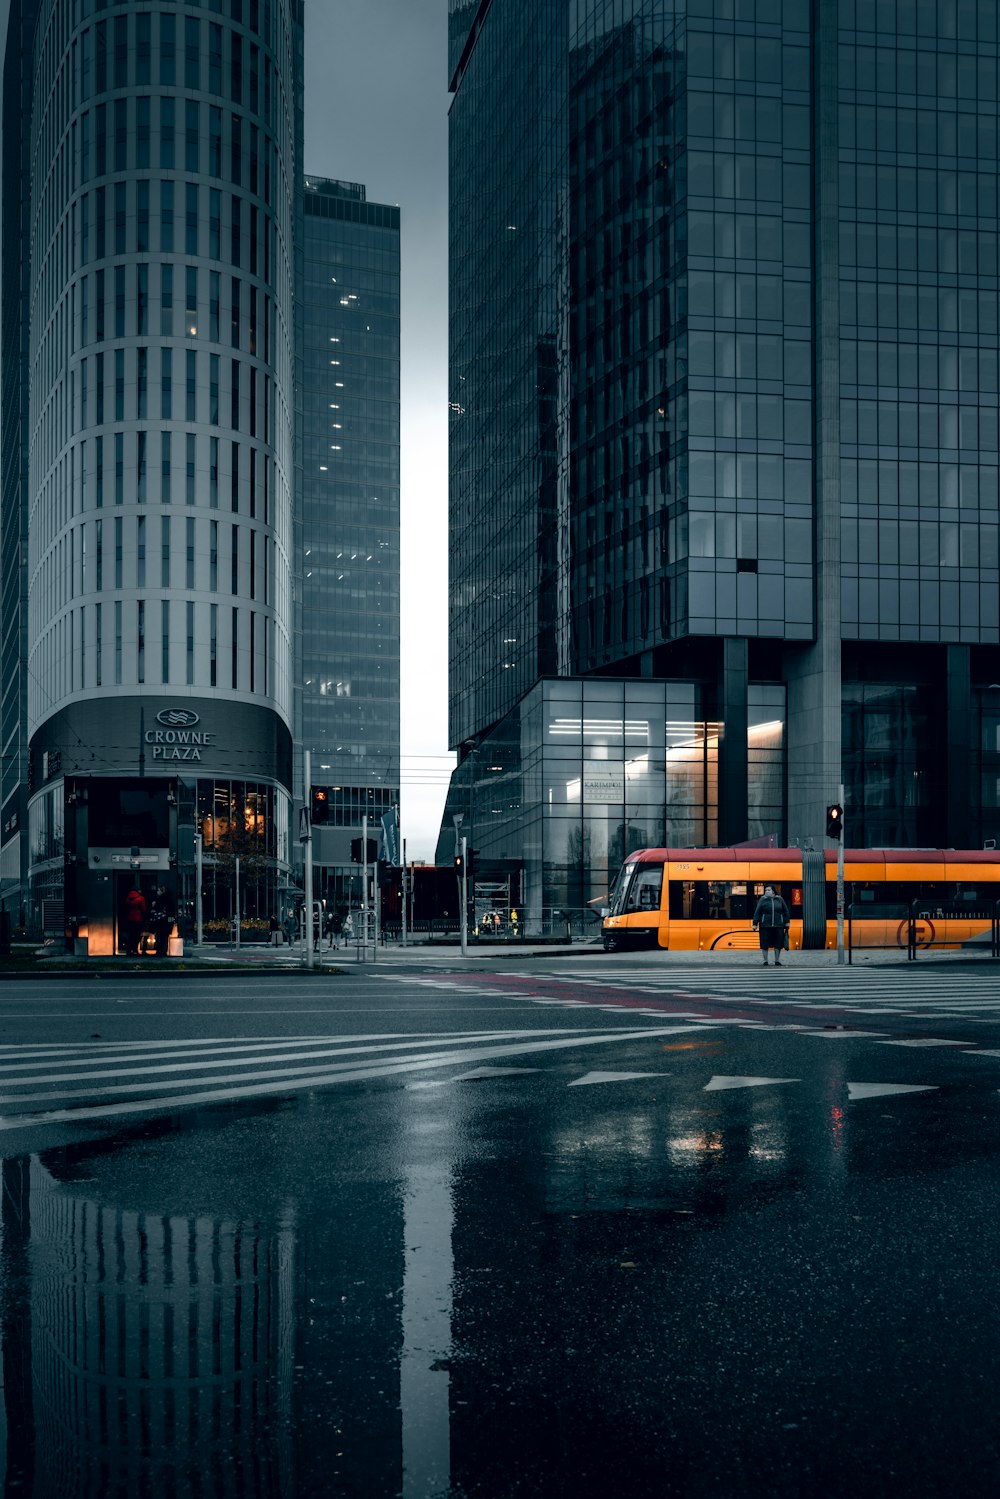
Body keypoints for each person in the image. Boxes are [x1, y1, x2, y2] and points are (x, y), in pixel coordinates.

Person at [752, 885, 790, 966]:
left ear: (773, 891)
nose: (766, 891)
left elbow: (785, 911)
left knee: (778, 943)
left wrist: (787, 922)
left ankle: (777, 960)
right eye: (766, 890)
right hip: (765, 925)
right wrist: (755, 923)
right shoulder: (762, 899)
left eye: (768, 890)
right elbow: (757, 912)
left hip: (778, 925)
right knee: (764, 943)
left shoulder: (780, 899)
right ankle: (765, 960)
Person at [122, 885, 147, 956]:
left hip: (130, 918)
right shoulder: (141, 898)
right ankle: (135, 949)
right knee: (137, 935)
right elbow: (144, 909)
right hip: (138, 919)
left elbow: (125, 908)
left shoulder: (128, 898)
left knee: (131, 935)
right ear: (138, 890)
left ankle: (129, 950)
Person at [149, 885, 172, 957]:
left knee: (159, 937)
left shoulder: (159, 900)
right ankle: (163, 952)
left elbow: (156, 909)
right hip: (166, 922)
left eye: (158, 890)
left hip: (160, 922)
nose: (157, 892)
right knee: (164, 938)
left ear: (162, 891)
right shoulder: (169, 899)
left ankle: (159, 952)